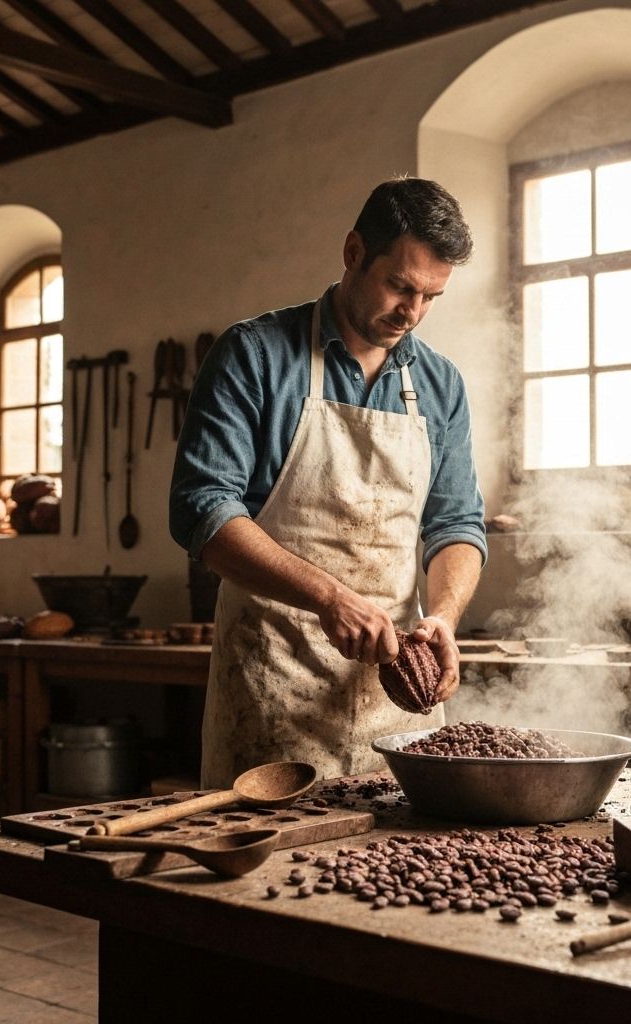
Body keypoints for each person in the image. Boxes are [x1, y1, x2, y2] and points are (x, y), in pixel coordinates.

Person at [169, 177, 487, 787]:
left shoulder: (442, 387)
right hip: (272, 684)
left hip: (397, 704)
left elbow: (456, 525)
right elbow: (201, 509)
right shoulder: (255, 355)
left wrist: (443, 616)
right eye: (400, 286)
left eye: (430, 297)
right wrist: (329, 597)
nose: (411, 312)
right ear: (353, 252)